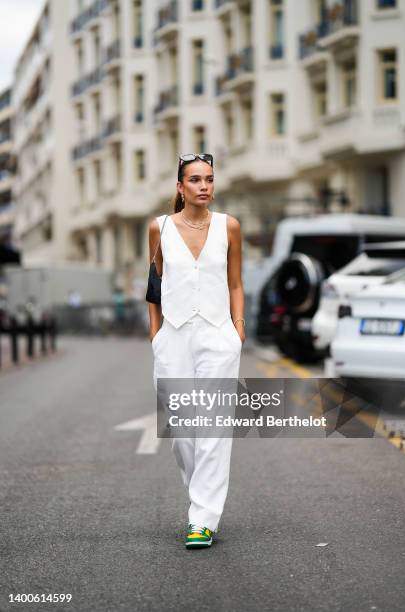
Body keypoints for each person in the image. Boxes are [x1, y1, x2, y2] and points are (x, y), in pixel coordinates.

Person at [147, 153, 245, 549]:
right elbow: (153, 287)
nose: (204, 186)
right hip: (173, 335)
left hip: (219, 334)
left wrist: (238, 330)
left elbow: (236, 283)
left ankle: (202, 518)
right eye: (195, 180)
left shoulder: (229, 227)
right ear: (180, 187)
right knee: (182, 427)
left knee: (213, 428)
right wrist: (155, 334)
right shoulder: (160, 228)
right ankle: (198, 496)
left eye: (209, 179)